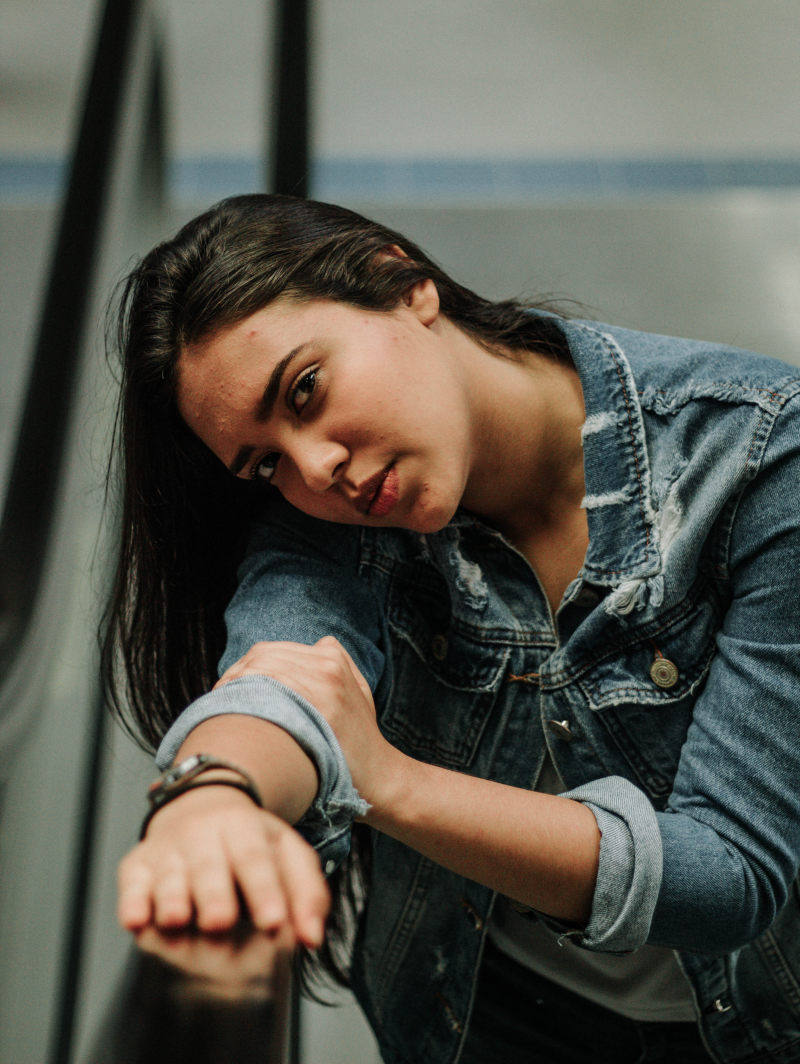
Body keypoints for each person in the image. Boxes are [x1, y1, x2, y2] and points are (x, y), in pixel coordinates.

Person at [105, 193, 800, 1064]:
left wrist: (389, 781)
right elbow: (284, 677)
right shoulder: (338, 519)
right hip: (481, 1015)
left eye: (306, 389)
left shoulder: (760, 455)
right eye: (268, 461)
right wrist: (210, 797)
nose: (317, 466)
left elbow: (728, 874)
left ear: (403, 282)